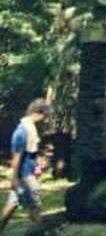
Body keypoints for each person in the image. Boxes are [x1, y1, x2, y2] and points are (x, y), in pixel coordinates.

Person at [0, 98, 51, 233]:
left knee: (11, 206)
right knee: (36, 208)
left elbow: (32, 156)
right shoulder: (21, 132)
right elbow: (16, 158)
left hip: (28, 174)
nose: (45, 119)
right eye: (45, 115)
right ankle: (42, 233)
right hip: (24, 178)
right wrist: (15, 179)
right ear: (39, 113)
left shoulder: (31, 129)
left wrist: (38, 169)